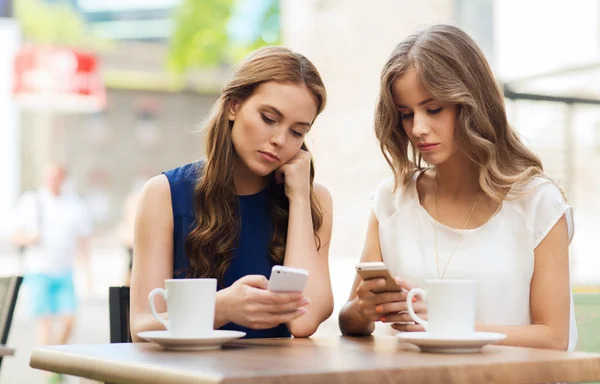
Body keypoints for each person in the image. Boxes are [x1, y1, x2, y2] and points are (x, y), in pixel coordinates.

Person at [338, 24, 577, 351]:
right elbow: (350, 321)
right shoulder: (391, 200)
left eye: (433, 109)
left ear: (472, 103)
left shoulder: (537, 202)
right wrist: (364, 310)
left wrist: (443, 325)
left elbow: (553, 338)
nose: (418, 128)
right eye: (406, 114)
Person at [130, 47, 334, 341]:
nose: (279, 140)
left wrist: (300, 198)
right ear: (233, 105)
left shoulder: (315, 201)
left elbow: (304, 321)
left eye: (297, 132)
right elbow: (142, 328)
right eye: (269, 118)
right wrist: (221, 308)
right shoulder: (164, 195)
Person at [10, 164, 92, 383]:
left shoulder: (74, 205)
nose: (52, 180)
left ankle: (53, 361)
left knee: (68, 321)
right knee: (44, 324)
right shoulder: (32, 201)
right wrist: (31, 238)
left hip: (64, 272)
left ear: (63, 178)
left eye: (56, 177)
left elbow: (83, 240)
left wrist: (88, 272)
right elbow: (15, 234)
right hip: (39, 272)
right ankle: (50, 375)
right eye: (48, 177)